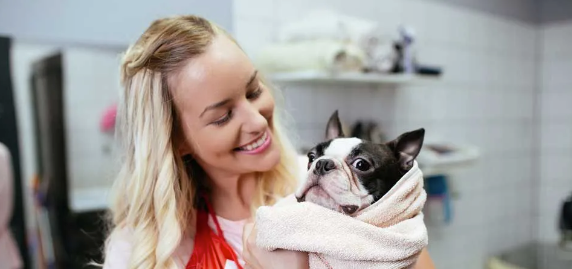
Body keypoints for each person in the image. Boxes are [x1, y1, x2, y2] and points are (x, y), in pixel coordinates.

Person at [102, 15, 435, 269]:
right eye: (222, 116)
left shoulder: (332, 188)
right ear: (178, 141)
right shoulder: (142, 250)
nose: (258, 120)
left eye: (254, 91)